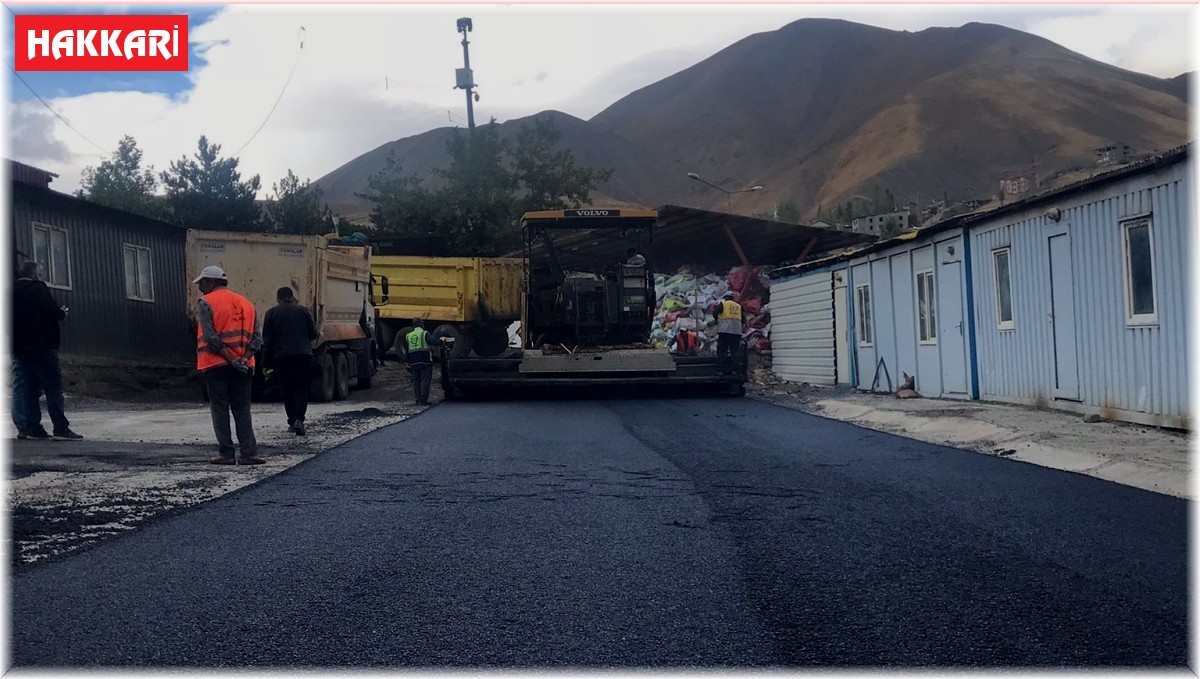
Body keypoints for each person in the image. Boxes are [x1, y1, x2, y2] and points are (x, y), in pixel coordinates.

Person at [194, 265, 264, 465]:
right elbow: (257, 339)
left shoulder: (206, 302)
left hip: (216, 365)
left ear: (211, 282)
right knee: (242, 408)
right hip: (244, 366)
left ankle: (226, 453)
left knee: (220, 408)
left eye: (202, 283)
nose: (200, 287)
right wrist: (242, 358)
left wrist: (230, 359)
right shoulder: (247, 304)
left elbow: (211, 338)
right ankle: (249, 453)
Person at [11, 261, 81, 440]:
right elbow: (52, 312)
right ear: (34, 273)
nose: (40, 276)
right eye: (39, 273)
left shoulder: (10, 292)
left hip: (20, 348)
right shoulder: (38, 289)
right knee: (53, 388)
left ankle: (33, 427)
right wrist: (62, 313)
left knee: (29, 389)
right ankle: (60, 428)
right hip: (42, 345)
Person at [263, 286, 318, 437]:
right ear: (292, 297)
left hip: (282, 356)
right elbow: (313, 334)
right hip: (303, 355)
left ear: (278, 298)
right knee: (301, 387)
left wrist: (265, 363)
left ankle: (291, 420)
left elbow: (267, 340)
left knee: (287, 389)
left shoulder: (271, 313)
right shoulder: (303, 311)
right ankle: (299, 419)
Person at [403, 318, 434, 406]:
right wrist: (441, 341)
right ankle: (423, 400)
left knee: (416, 382)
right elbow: (432, 341)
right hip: (425, 361)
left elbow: (407, 350)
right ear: (421, 324)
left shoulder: (408, 335)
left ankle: (417, 399)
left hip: (413, 362)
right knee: (425, 381)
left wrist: (408, 361)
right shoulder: (424, 333)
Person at [713, 290, 744, 376]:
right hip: (737, 332)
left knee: (721, 351)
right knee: (734, 351)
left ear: (725, 298)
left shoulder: (723, 304)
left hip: (725, 331)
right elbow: (743, 319)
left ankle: (721, 370)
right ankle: (734, 370)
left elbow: (715, 312)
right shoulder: (738, 306)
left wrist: (718, 320)